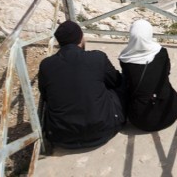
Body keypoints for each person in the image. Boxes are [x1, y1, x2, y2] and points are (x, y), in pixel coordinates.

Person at [38, 20, 126, 149]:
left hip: (61, 136)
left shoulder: (46, 65)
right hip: (103, 130)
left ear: (59, 42)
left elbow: (45, 96)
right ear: (81, 39)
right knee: (116, 88)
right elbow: (116, 81)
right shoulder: (97, 58)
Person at [119, 19, 177, 132]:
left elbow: (128, 82)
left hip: (142, 120)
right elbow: (167, 72)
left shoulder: (126, 59)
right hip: (170, 110)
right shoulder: (161, 52)